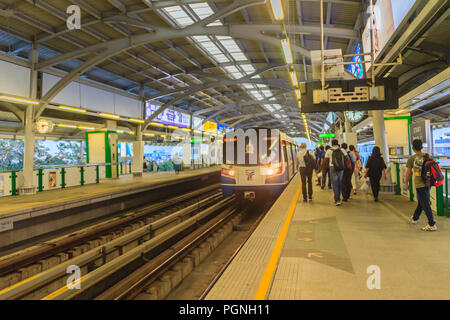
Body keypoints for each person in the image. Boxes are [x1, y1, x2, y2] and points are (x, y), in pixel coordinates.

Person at [405, 139, 437, 231]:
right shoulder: (428, 156)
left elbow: (408, 173)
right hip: (428, 183)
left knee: (425, 203)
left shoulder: (412, 158)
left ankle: (431, 224)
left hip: (419, 184)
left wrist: (406, 183)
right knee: (422, 202)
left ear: (413, 147)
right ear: (422, 147)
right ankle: (415, 218)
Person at [325, 140, 346, 206]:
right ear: (337, 143)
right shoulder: (342, 150)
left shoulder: (329, 151)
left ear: (332, 144)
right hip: (341, 168)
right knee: (340, 183)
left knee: (334, 184)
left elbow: (326, 160)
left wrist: (326, 168)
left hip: (333, 168)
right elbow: (347, 158)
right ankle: (339, 198)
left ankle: (337, 200)